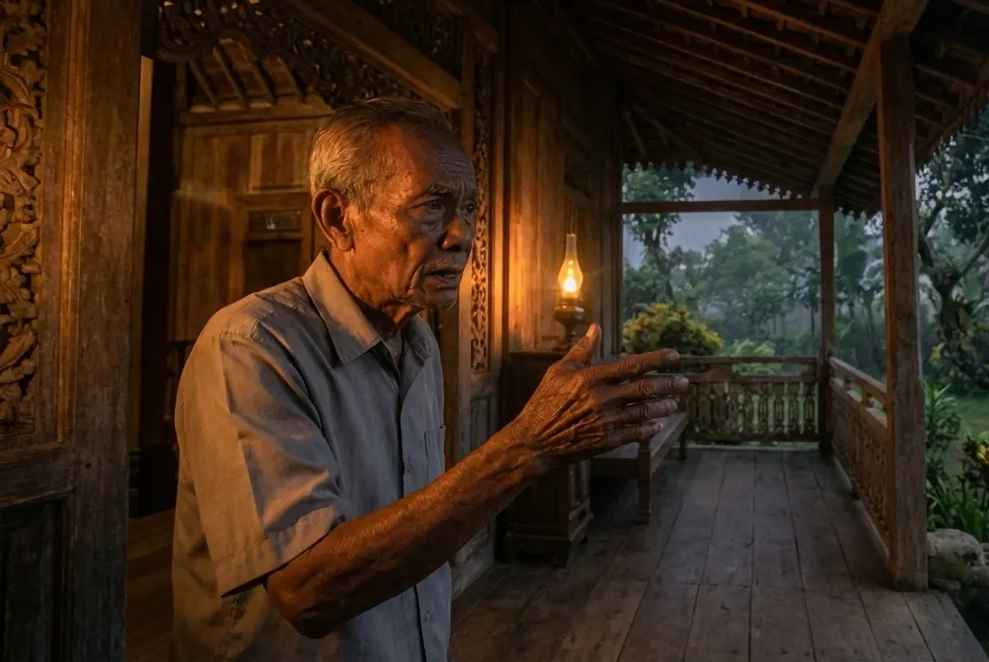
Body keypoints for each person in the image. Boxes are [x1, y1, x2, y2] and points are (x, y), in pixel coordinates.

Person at [170, 97, 687, 661]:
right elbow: (306, 590)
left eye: (469, 208)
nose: (463, 235)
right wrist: (527, 447)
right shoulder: (250, 345)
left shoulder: (418, 343)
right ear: (339, 218)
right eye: (432, 207)